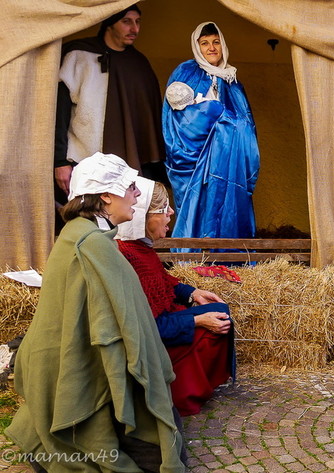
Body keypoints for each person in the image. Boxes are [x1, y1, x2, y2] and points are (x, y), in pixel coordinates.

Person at [6, 153, 185, 472]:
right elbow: (111, 335)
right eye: (131, 187)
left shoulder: (85, 235)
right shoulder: (90, 244)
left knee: (168, 441)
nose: (137, 195)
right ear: (105, 196)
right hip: (75, 376)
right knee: (163, 455)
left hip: (69, 365)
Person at [116, 177, 236, 416]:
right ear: (144, 217)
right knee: (217, 321)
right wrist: (198, 321)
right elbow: (150, 327)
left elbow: (164, 281)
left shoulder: (141, 248)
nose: (171, 212)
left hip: (166, 321)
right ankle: (180, 396)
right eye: (164, 209)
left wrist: (193, 292)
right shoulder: (128, 255)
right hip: (153, 341)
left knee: (221, 311)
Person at [54, 4, 167, 201]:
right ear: (109, 23)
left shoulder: (139, 65)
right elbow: (58, 115)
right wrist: (59, 161)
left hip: (127, 171)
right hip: (82, 162)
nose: (135, 29)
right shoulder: (79, 56)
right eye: (126, 22)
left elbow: (148, 124)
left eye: (138, 22)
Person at [162, 21, 260, 246]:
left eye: (216, 42)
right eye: (204, 43)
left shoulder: (232, 82)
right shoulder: (185, 72)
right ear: (197, 47)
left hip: (228, 162)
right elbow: (179, 119)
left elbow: (246, 124)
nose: (211, 48)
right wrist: (214, 113)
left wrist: (231, 127)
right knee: (198, 211)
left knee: (228, 209)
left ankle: (230, 261)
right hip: (194, 162)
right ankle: (195, 263)